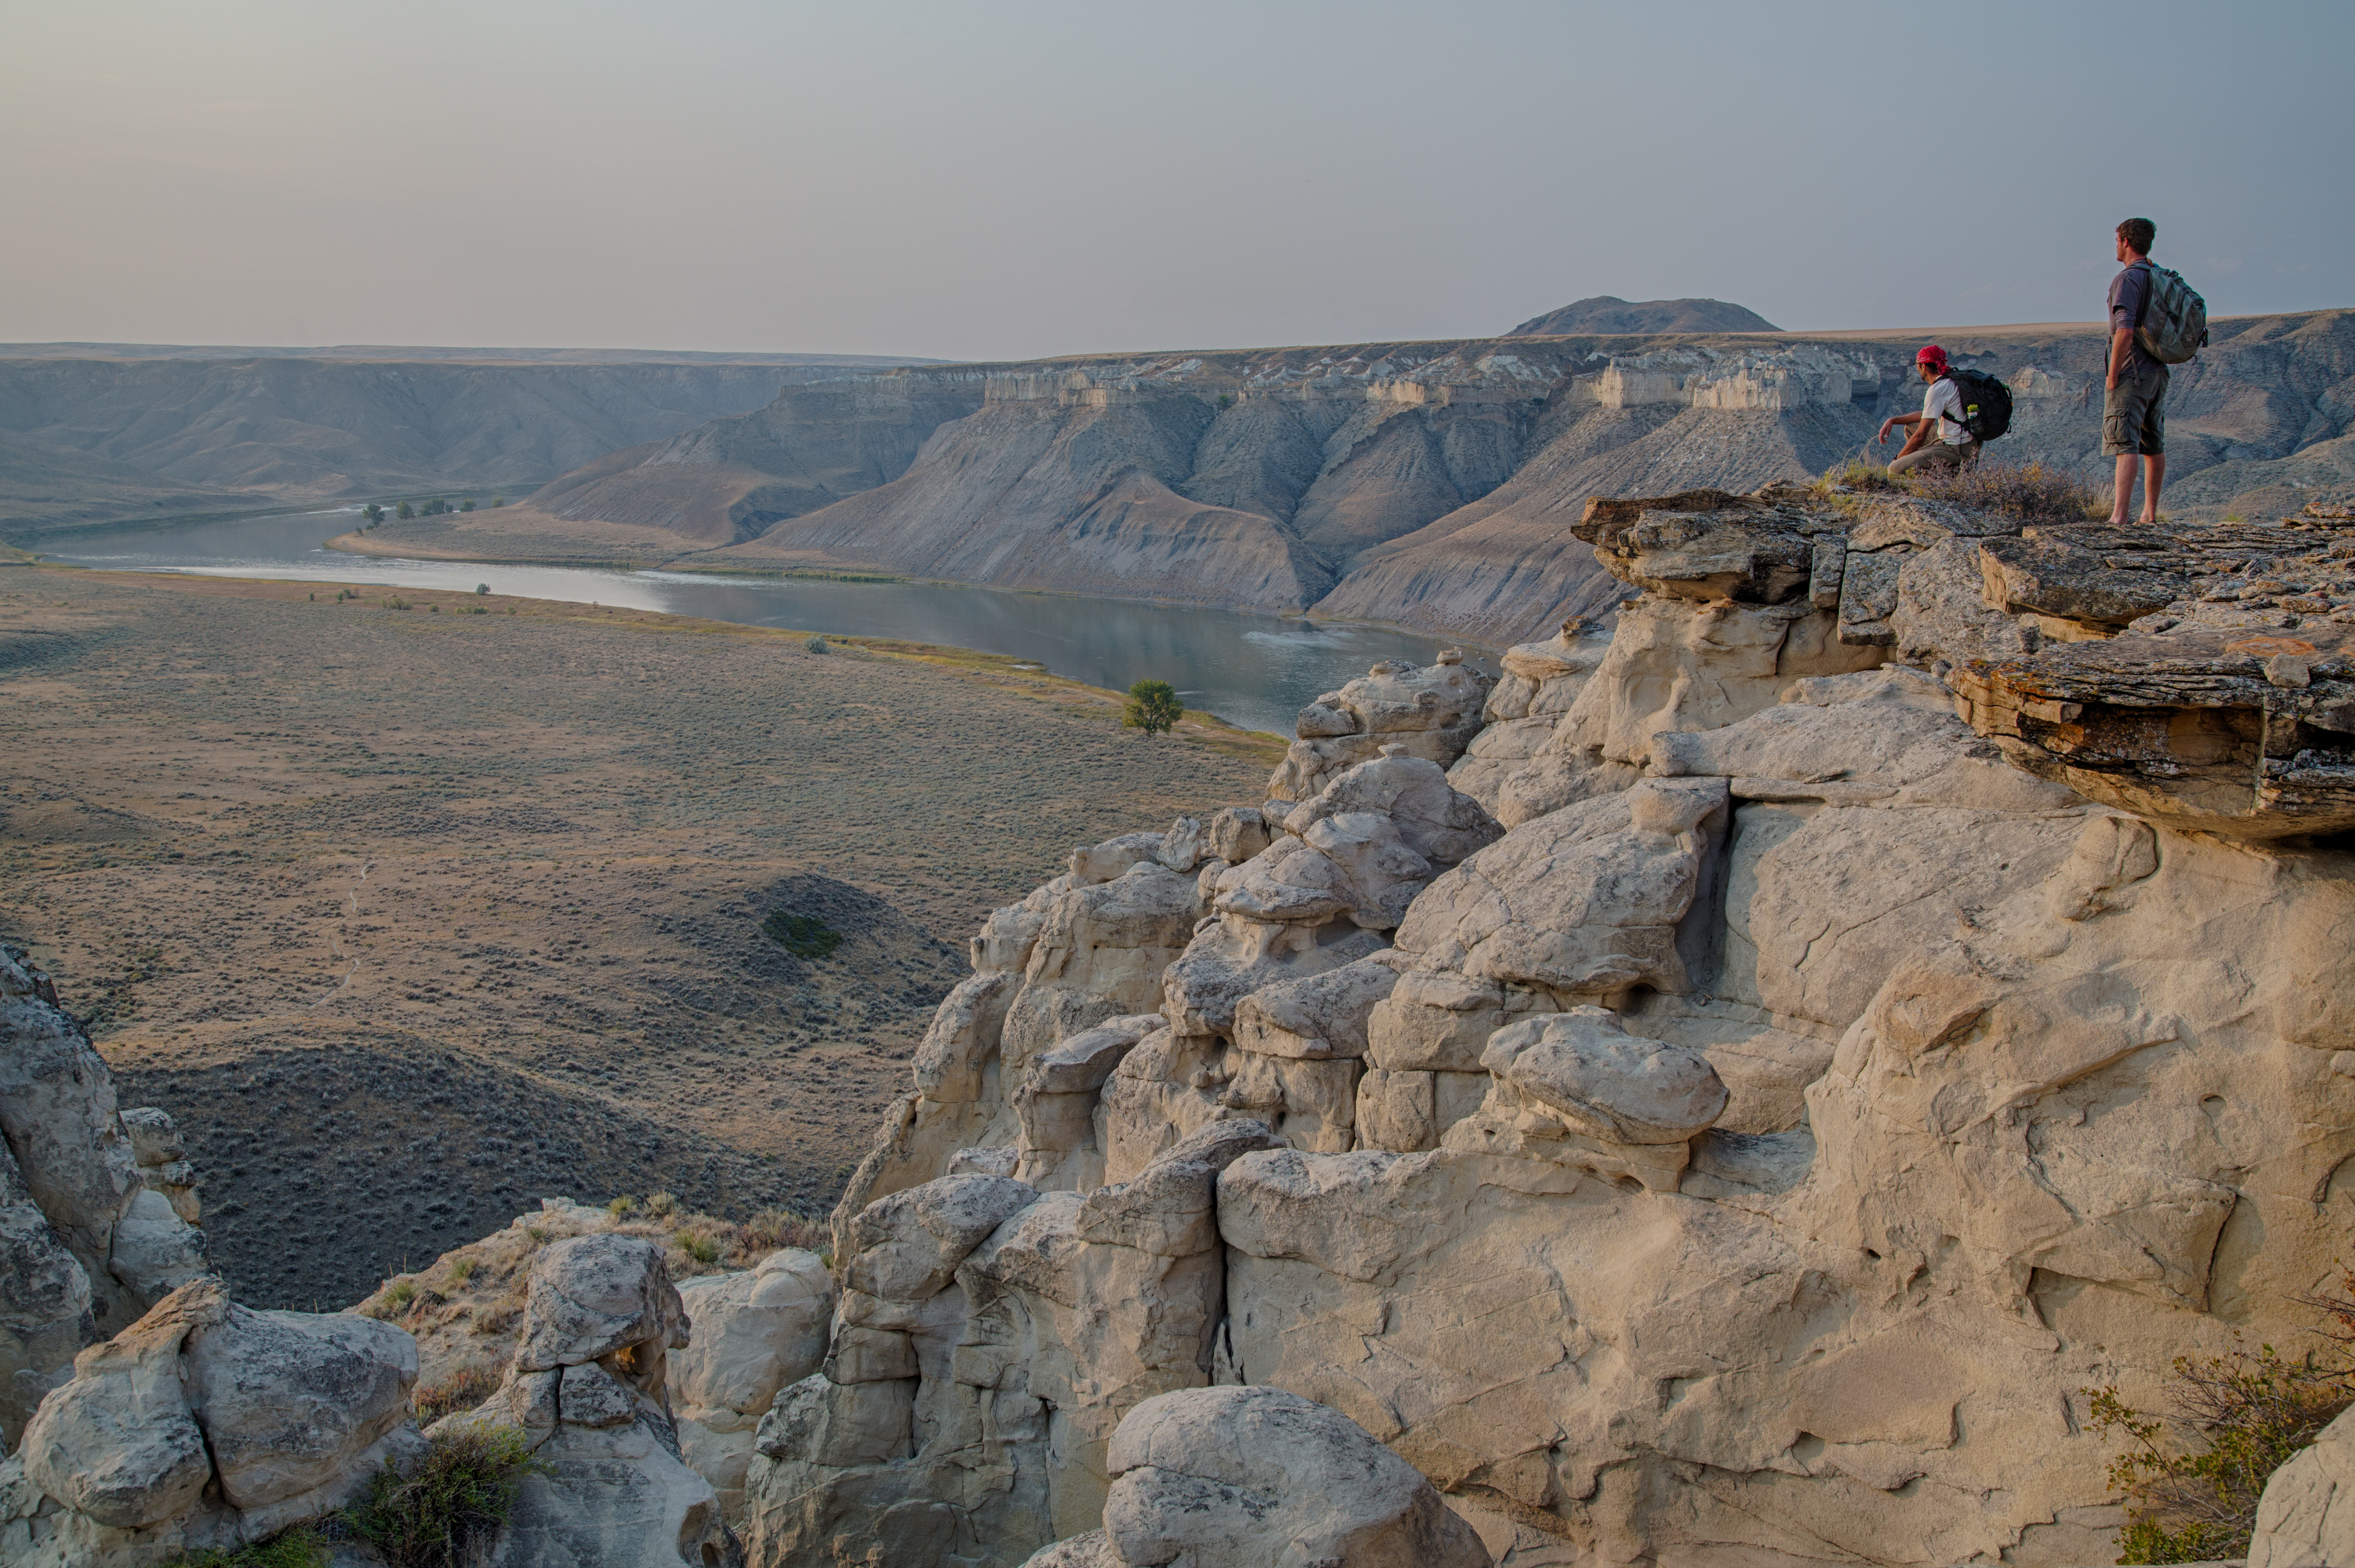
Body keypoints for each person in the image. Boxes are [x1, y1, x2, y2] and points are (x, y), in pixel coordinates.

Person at [2106, 216, 2167, 525]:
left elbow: (2124, 331)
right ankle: (2150, 514)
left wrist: (2113, 374)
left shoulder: (2127, 280)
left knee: (2125, 443)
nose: (2115, 246)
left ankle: (2119, 517)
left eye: (2117, 240)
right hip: (2158, 372)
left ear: (2126, 242)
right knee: (2153, 443)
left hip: (2133, 373)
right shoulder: (2157, 275)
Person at [1877, 344, 1979, 475]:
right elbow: (1926, 416)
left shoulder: (1937, 389)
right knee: (1911, 427)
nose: (1917, 368)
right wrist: (1893, 420)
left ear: (1923, 366)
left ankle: (1945, 472)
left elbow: (1920, 436)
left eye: (1917, 365)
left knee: (1894, 469)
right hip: (1969, 442)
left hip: (1956, 448)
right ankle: (1933, 466)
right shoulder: (1952, 380)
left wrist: (1898, 459)